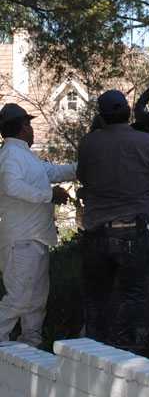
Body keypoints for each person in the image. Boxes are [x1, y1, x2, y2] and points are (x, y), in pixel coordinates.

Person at [77, 90, 149, 346]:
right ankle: (126, 356)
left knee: (95, 299)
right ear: (127, 111)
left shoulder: (88, 144)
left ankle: (92, 354)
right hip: (133, 231)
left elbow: (84, 178)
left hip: (96, 233)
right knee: (132, 296)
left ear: (101, 116)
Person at [0, 103, 75, 346]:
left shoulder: (22, 155)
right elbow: (11, 186)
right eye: (30, 125)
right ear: (23, 127)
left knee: (35, 301)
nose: (32, 129)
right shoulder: (10, 155)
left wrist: (83, 167)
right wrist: (48, 195)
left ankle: (30, 347)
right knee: (20, 299)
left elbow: (51, 171)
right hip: (21, 240)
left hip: (34, 238)